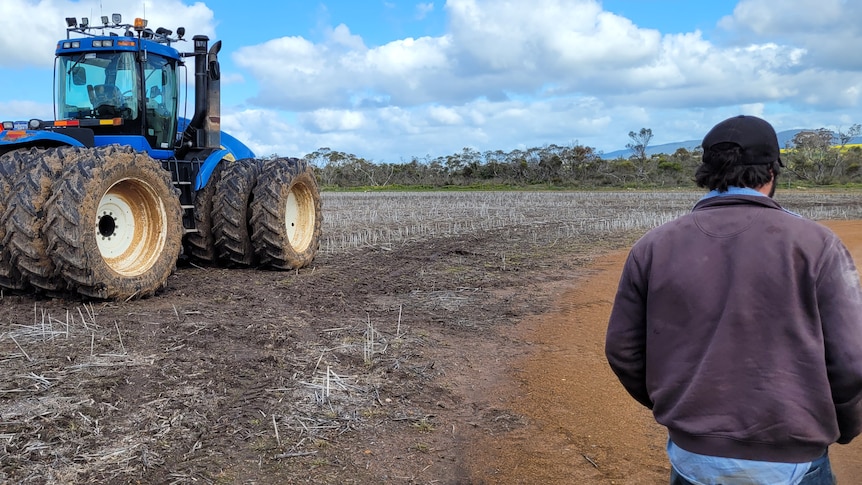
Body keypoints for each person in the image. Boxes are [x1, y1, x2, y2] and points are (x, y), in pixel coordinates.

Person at [605, 115, 862, 485]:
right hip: (792, 459)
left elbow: (623, 350)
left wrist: (677, 407)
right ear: (772, 171)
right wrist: (845, 426)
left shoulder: (653, 246)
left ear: (706, 172)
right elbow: (851, 361)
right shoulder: (817, 244)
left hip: (693, 455)